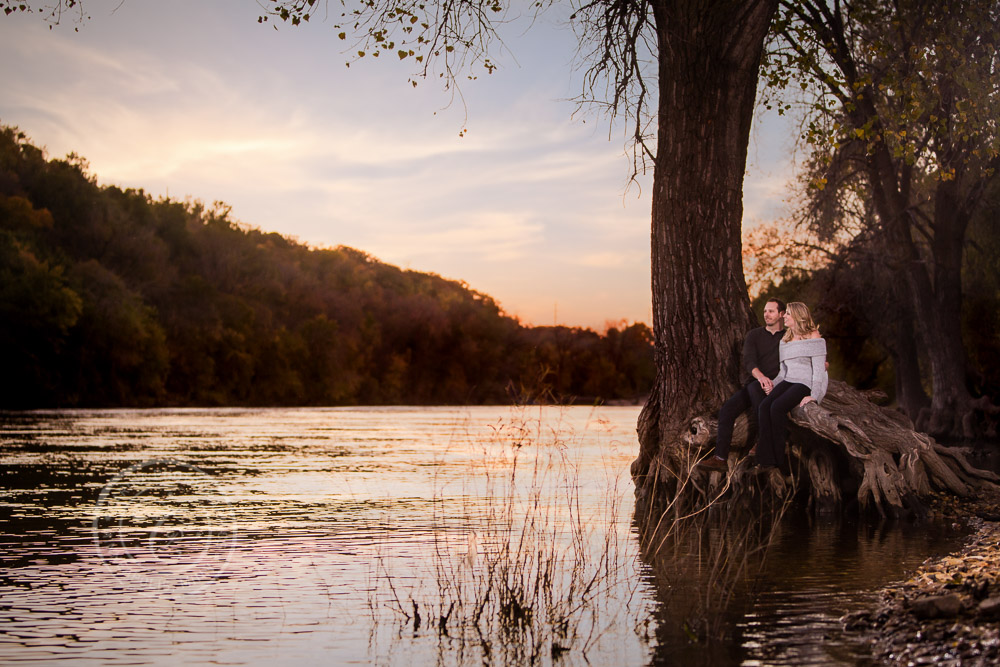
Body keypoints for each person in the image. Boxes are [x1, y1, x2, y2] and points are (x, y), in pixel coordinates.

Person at [698, 298, 786, 472]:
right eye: (765, 311)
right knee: (727, 410)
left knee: (762, 403)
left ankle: (762, 448)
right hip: (755, 383)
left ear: (781, 314)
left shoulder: (788, 338)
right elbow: (749, 361)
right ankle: (720, 458)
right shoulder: (754, 335)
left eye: (771, 311)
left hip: (778, 386)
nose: (766, 314)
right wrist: (761, 377)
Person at [755, 302, 828, 470]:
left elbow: (818, 371)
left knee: (777, 407)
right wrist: (773, 385)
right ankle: (765, 459)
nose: (784, 316)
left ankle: (780, 459)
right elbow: (783, 372)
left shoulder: (814, 336)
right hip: (789, 380)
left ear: (797, 315)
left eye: (787, 313)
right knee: (765, 406)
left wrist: (815, 395)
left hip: (805, 382)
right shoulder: (785, 339)